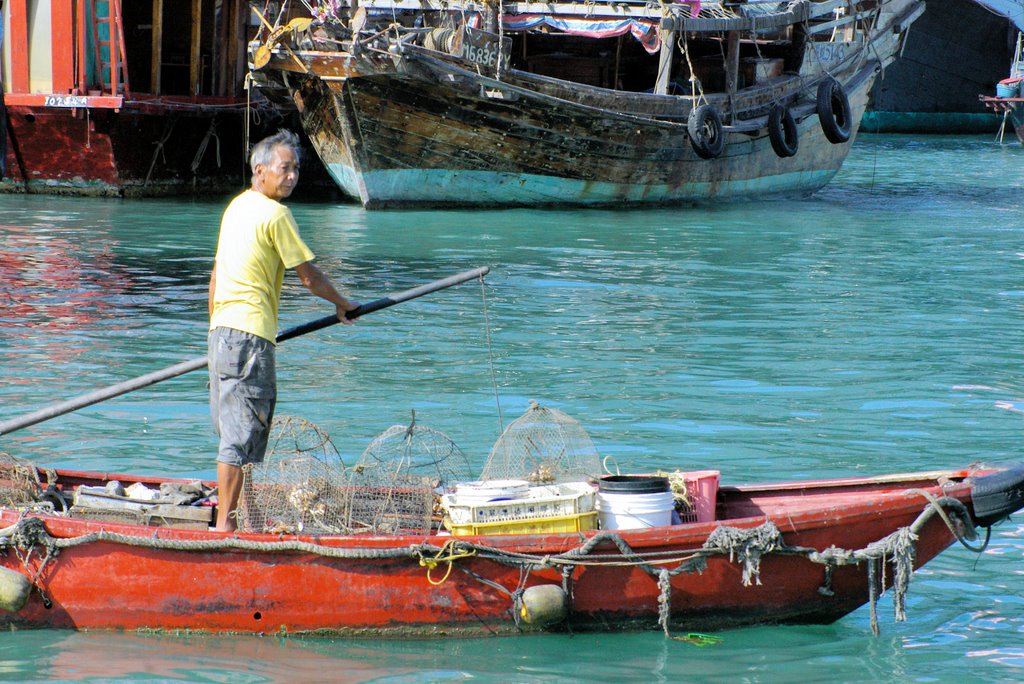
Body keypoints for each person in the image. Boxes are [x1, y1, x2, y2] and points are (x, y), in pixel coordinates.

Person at [207, 129, 359, 532]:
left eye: (295, 169)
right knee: (241, 435)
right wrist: (344, 304)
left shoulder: (236, 207)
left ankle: (245, 515)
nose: (291, 176)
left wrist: (215, 330)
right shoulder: (276, 215)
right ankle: (225, 528)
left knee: (242, 428)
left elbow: (216, 276)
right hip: (250, 336)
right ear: (261, 170)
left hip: (222, 332)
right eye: (284, 168)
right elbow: (308, 278)